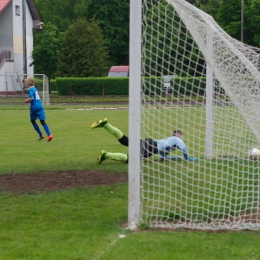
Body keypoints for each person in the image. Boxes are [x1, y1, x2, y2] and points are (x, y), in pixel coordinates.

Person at [91, 118, 198, 164]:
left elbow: (163, 156)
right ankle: (106, 155)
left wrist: (175, 158)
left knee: (124, 140)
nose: (182, 138)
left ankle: (106, 125)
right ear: (178, 135)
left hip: (148, 142)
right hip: (151, 146)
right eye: (181, 136)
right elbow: (183, 148)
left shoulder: (170, 142)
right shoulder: (176, 139)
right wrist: (188, 158)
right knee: (132, 160)